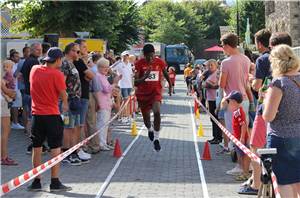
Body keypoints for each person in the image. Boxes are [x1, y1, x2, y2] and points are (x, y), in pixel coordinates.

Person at [27, 47, 71, 192]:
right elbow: (63, 94)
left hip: (37, 115)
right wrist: (65, 105)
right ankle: (55, 181)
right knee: (55, 148)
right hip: (52, 115)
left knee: (37, 147)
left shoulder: (34, 69)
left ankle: (36, 181)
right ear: (58, 60)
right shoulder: (57, 74)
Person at [263, 44, 300, 197]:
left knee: (285, 181)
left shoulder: (279, 83)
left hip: (282, 136)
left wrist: (265, 100)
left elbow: (268, 116)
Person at [240, 29, 272, 195]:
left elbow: (257, 86)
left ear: (259, 43)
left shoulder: (264, 59)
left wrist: (252, 79)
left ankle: (256, 184)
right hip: (286, 110)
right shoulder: (290, 59)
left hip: (265, 107)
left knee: (255, 146)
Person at [219, 33, 254, 175]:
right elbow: (246, 82)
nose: (222, 48)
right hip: (244, 99)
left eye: (222, 46)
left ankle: (240, 166)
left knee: (235, 134)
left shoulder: (226, 62)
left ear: (227, 45)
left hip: (232, 101)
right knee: (244, 133)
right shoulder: (246, 59)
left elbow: (222, 83)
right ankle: (248, 165)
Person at [134, 44, 172, 152]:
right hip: (143, 94)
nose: (150, 58)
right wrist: (145, 76)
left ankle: (156, 138)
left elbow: (165, 73)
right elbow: (136, 82)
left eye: (152, 55)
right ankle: (150, 129)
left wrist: (170, 85)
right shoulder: (139, 64)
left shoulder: (159, 62)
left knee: (157, 112)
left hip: (155, 92)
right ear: (144, 55)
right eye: (148, 56)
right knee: (146, 119)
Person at [60, 42, 89, 165]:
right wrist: (65, 101)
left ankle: (73, 152)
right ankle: (66, 153)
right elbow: (62, 83)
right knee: (68, 128)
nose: (79, 54)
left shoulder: (72, 64)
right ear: (70, 52)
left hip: (75, 101)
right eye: (77, 51)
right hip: (70, 101)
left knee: (74, 127)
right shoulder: (65, 63)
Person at [222, 91, 251, 181]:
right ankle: (243, 171)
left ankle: (245, 173)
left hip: (241, 139)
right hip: (237, 138)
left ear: (234, 102)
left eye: (229, 102)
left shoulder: (238, 112)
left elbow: (243, 125)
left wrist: (242, 138)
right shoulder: (236, 111)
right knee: (240, 155)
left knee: (243, 156)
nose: (228, 104)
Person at [74, 39, 94, 160]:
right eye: (84, 47)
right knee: (79, 125)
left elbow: (88, 77)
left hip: (83, 94)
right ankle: (78, 149)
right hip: (81, 96)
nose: (87, 50)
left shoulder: (81, 62)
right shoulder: (79, 62)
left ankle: (79, 148)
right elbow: (91, 75)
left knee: (79, 124)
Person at [21, 42, 43, 154]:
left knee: (31, 117)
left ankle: (35, 143)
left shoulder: (27, 60)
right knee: (33, 118)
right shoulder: (33, 61)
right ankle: (33, 143)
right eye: (37, 49)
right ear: (32, 50)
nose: (40, 51)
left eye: (41, 49)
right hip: (32, 93)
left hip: (28, 92)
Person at [96, 58, 121, 151]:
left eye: (107, 67)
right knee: (102, 124)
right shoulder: (99, 76)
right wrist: (115, 83)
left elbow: (108, 89)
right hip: (102, 103)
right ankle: (101, 143)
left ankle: (103, 143)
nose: (106, 69)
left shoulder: (103, 76)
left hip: (106, 103)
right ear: (99, 67)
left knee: (105, 124)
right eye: (104, 67)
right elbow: (106, 89)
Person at [1, 62, 18, 166]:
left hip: (4, 102)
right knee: (5, 131)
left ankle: (4, 156)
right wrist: (12, 94)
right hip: (3, 103)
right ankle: (3, 157)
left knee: (5, 131)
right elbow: (7, 91)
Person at [85, 53, 102, 154]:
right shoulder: (92, 70)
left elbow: (95, 87)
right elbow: (96, 87)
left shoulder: (91, 70)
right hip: (89, 95)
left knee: (89, 123)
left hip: (89, 95)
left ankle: (94, 145)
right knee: (90, 122)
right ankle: (94, 145)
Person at [204, 59, 222, 144]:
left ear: (216, 65)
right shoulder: (209, 74)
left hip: (216, 99)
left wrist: (208, 84)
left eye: (212, 65)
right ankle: (215, 136)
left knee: (216, 118)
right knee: (212, 118)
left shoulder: (217, 73)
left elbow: (217, 86)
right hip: (210, 98)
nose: (210, 67)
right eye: (209, 65)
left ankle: (218, 137)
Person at [112, 51, 133, 123]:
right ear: (122, 56)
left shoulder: (130, 64)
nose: (126, 56)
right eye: (124, 55)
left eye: (127, 55)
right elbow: (110, 69)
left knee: (126, 102)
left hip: (129, 85)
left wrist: (132, 85)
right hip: (123, 85)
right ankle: (123, 116)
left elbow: (130, 75)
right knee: (125, 101)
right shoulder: (119, 64)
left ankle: (123, 116)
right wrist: (117, 75)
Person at [9, 51, 25, 130]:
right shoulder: (11, 65)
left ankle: (15, 122)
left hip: (16, 88)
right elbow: (13, 76)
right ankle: (15, 123)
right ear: (12, 57)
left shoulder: (16, 64)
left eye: (18, 56)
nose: (18, 58)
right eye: (16, 56)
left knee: (16, 106)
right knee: (15, 106)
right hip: (13, 89)